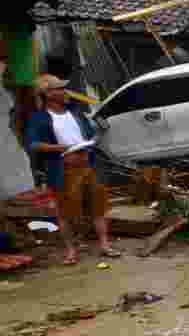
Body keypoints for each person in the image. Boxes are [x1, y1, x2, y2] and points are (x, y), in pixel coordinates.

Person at [26, 74, 119, 265]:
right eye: (59, 89)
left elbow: (90, 134)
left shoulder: (75, 113)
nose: (64, 92)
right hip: (64, 171)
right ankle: (71, 251)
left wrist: (91, 141)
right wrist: (60, 148)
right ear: (48, 94)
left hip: (88, 166)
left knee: (98, 208)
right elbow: (33, 145)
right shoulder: (40, 118)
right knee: (66, 213)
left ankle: (104, 245)